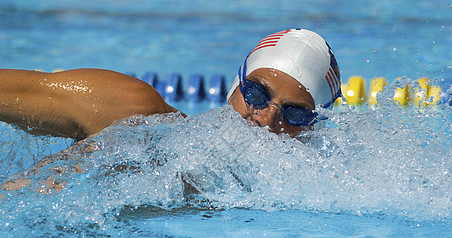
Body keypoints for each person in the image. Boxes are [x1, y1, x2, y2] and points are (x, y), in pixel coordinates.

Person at [0, 29, 341, 140]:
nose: (265, 119)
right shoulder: (136, 114)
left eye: (295, 115)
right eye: (256, 93)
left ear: (314, 126)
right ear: (234, 87)